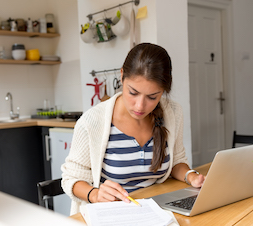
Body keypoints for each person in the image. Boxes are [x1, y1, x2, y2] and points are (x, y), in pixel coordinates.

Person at [61, 43, 205, 215]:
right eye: (133, 93)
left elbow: (176, 161)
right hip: (111, 214)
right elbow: (71, 179)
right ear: (122, 76)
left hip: (156, 210)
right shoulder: (92, 122)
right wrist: (95, 194)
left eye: (152, 97)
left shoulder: (172, 113)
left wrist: (191, 176)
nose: (140, 106)